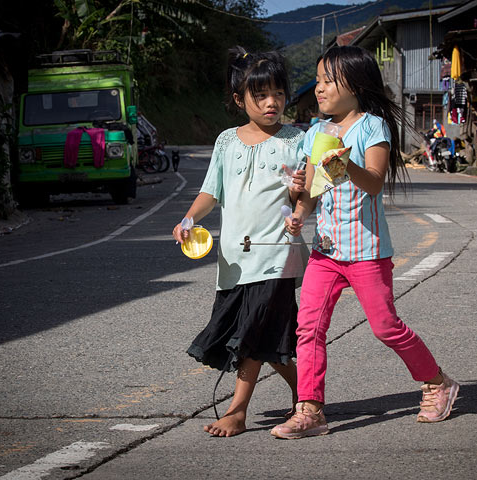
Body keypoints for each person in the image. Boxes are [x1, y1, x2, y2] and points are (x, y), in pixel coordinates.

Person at [270, 45, 460, 439]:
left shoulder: (372, 127)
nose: (319, 89)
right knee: (309, 328)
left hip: (367, 251)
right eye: (318, 80)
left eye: (327, 81)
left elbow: (373, 183)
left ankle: (438, 382)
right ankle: (310, 409)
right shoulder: (315, 132)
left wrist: (342, 163)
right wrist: (299, 208)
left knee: (385, 326)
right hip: (326, 251)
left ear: (354, 85)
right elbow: (311, 192)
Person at [173, 46, 308, 437]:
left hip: (277, 252)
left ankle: (237, 410)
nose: (272, 103)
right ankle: (307, 391)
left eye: (279, 94)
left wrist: (300, 205)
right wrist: (186, 220)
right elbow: (210, 193)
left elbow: (304, 195)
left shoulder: (295, 141)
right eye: (261, 95)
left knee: (250, 330)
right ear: (239, 99)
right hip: (234, 257)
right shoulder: (226, 142)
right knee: (263, 335)